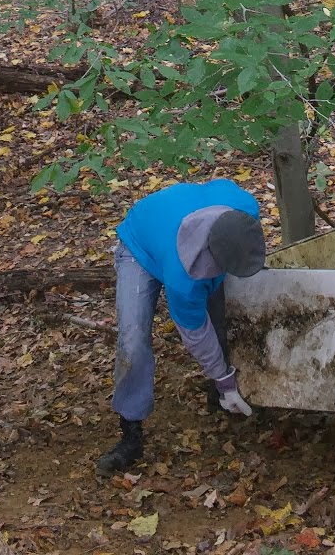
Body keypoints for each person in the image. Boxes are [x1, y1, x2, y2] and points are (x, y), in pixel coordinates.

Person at [96, 179, 266, 475]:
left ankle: (219, 396)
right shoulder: (184, 277)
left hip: (176, 213)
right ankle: (131, 431)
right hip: (140, 244)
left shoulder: (246, 209)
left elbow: (222, 186)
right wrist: (224, 380)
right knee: (133, 340)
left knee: (223, 314)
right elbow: (195, 331)